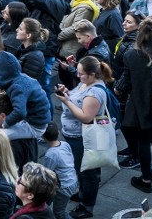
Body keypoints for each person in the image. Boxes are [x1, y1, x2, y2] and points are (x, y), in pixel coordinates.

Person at [115, 18, 152, 194]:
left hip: (140, 105)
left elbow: (125, 83)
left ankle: (145, 179)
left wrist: (117, 89)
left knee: (143, 141)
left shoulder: (131, 54)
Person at [54, 56, 112, 218]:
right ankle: (82, 193)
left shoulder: (94, 92)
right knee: (81, 168)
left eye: (81, 73)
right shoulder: (86, 83)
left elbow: (86, 117)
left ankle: (87, 207)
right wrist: (67, 92)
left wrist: (66, 101)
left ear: (93, 74)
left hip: (84, 138)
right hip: (75, 135)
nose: (78, 76)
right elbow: (77, 96)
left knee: (88, 172)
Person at [41, 123, 79, 219]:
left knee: (59, 212)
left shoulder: (51, 154)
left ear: (43, 137)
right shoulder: (65, 144)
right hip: (72, 180)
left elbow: (47, 172)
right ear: (59, 132)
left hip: (64, 186)